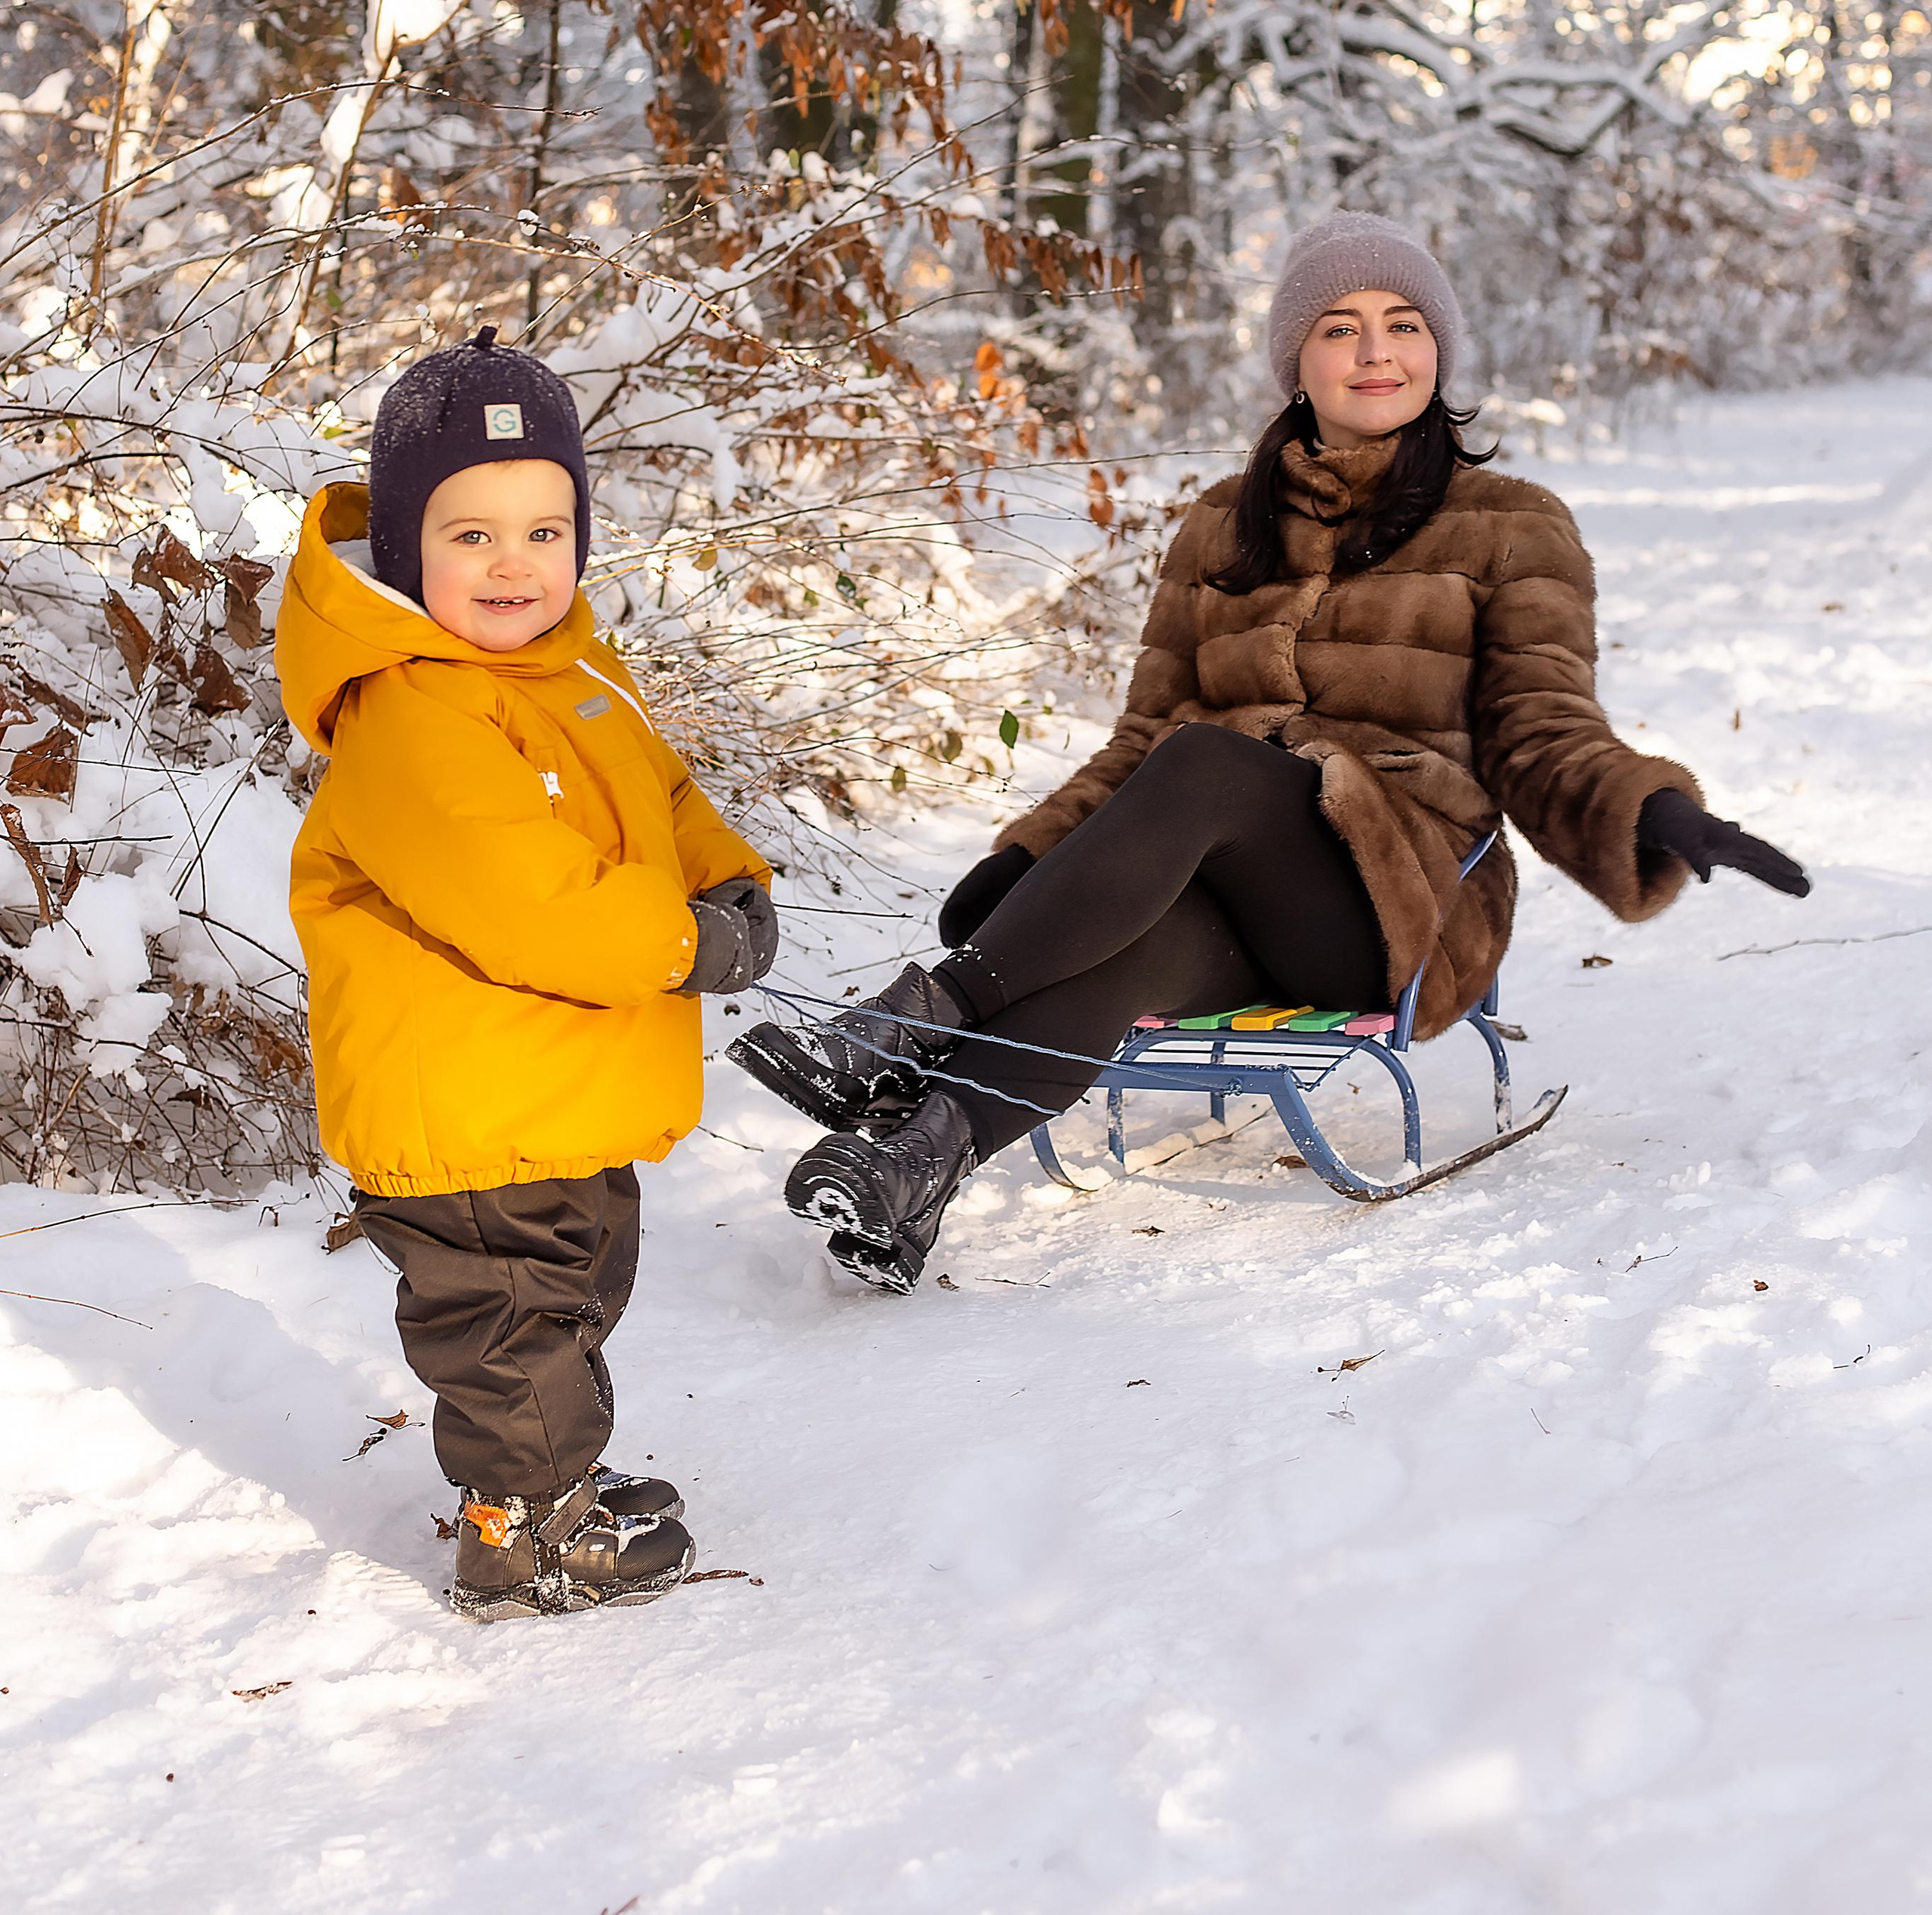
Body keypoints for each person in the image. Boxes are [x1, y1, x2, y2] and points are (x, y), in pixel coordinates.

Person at [731, 211, 1808, 1295]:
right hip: (1238, 899)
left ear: (1439, 349)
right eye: (1340, 328)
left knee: (1212, 760)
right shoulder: (1219, 527)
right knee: (1128, 941)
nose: (1376, 351)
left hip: (1404, 902)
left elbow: (1542, 727)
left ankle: (911, 1022)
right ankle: (910, 1171)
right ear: (1298, 361)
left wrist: (1650, 813)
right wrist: (1037, 864)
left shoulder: (1510, 525)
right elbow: (1141, 741)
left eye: (1403, 324)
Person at [276, 328, 776, 1622]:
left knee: (572, 1297)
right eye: (473, 535)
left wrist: (729, 884)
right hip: (470, 1108)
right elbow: (527, 899)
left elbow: (663, 797)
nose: (515, 566)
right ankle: (522, 1539)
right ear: (402, 546)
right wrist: (683, 947)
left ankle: (559, 1481)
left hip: (552, 1093)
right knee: (509, 1328)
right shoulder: (410, 712)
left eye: (545, 533)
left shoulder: (571, 676)